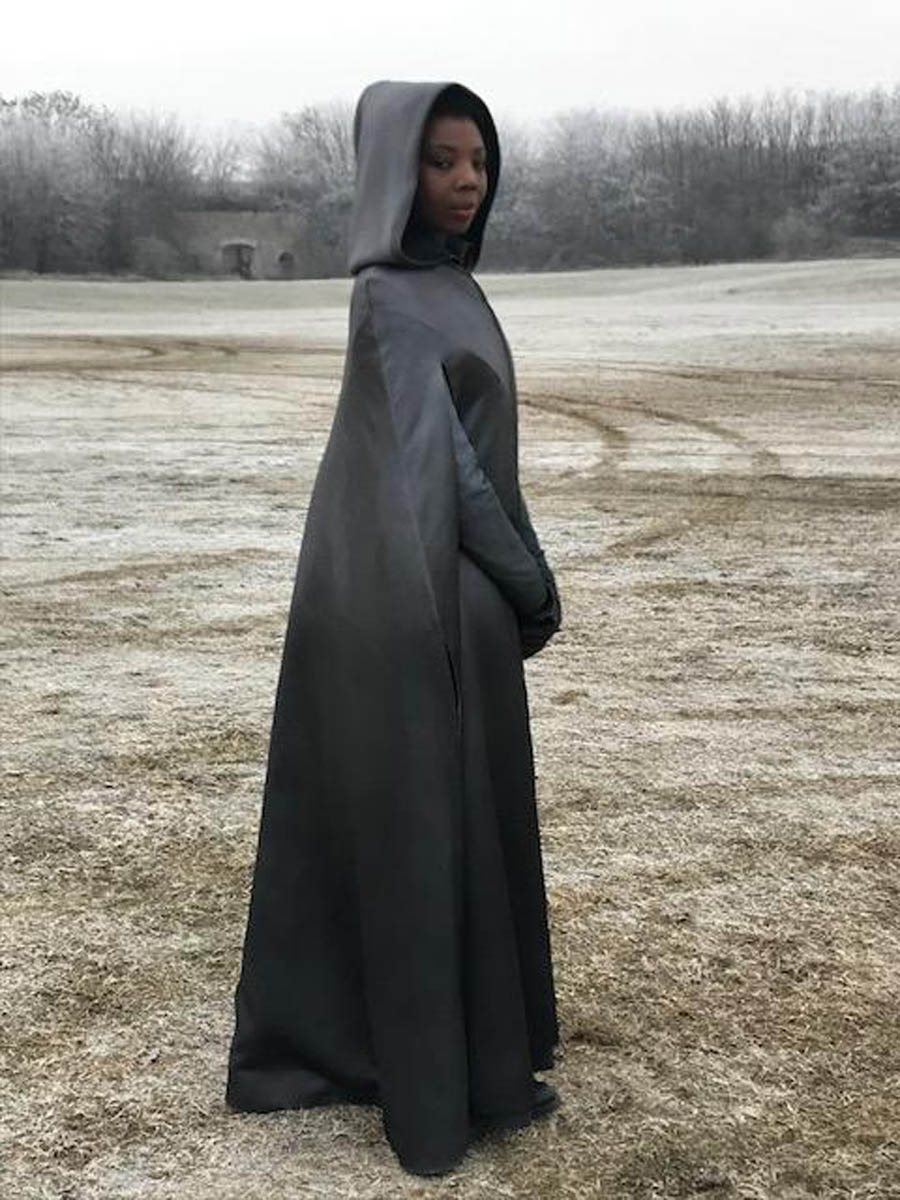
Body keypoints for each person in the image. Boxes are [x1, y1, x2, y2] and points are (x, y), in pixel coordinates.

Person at [225, 79, 563, 1177]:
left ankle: (482, 1054)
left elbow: (481, 461)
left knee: (464, 832)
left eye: (478, 161)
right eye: (441, 160)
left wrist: (515, 582)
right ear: (392, 171)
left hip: (462, 605)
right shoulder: (389, 297)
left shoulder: (449, 287)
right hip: (426, 615)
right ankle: (431, 1076)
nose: (467, 181)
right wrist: (529, 584)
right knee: (427, 832)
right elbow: (444, 477)